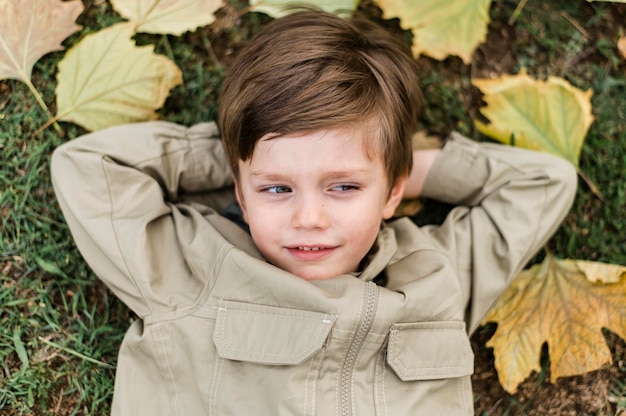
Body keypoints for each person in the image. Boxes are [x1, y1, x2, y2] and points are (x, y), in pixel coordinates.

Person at [51, 10, 577, 416]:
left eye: (344, 186)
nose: (309, 218)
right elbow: (88, 168)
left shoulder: (436, 274)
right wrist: (245, 148)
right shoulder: (190, 266)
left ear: (393, 193)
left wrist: (404, 164)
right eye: (278, 189)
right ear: (240, 185)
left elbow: (544, 184)